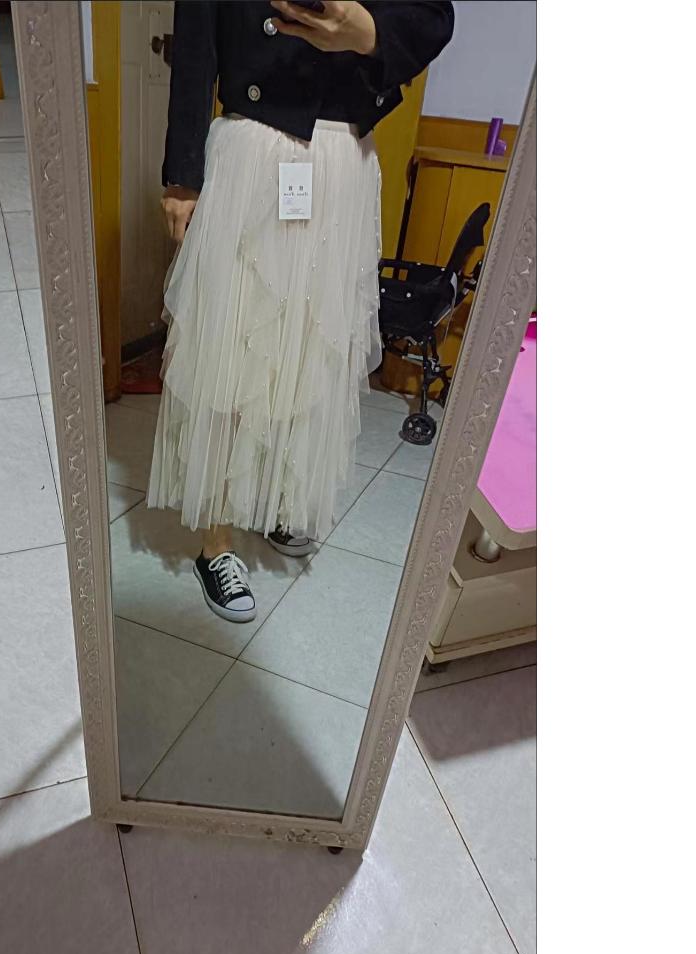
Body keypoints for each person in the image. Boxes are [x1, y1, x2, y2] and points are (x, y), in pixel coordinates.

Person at [146, 0, 454, 622]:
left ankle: (275, 499)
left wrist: (371, 32)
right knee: (233, 347)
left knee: (312, 345)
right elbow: (198, 32)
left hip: (344, 155)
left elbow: (433, 13)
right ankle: (217, 539)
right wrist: (182, 174)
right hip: (252, 144)